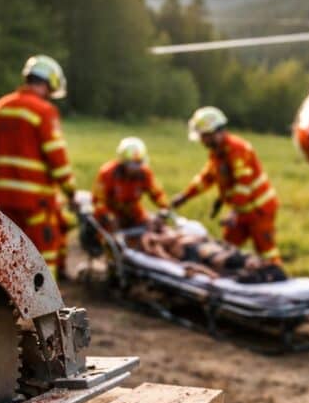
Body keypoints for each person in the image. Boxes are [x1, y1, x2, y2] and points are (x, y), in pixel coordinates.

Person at [0, 55, 76, 277]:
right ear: (48, 83)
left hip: (4, 197)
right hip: (35, 200)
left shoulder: (1, 107)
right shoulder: (43, 111)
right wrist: (70, 190)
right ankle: (46, 298)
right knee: (45, 254)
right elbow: (57, 158)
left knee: (8, 252)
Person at [170, 107, 282, 265]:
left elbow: (243, 183)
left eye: (204, 136)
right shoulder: (217, 153)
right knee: (226, 249)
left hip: (259, 210)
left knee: (266, 252)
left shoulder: (237, 149)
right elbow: (206, 179)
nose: (202, 141)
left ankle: (277, 275)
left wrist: (234, 211)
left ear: (215, 133)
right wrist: (185, 196)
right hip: (241, 211)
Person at [130, 218, 286, 284]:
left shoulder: (176, 231)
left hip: (210, 246)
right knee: (227, 259)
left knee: (244, 256)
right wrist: (201, 270)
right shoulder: (152, 239)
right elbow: (162, 256)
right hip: (200, 254)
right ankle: (254, 274)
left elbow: (205, 237)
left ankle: (266, 271)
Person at [92, 137, 169, 231]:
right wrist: (109, 217)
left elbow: (157, 194)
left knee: (154, 228)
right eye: (132, 164)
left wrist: (164, 208)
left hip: (133, 213)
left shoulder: (145, 173)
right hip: (111, 213)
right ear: (123, 162)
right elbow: (98, 202)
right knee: (106, 234)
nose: (136, 168)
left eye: (139, 163)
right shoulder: (107, 173)